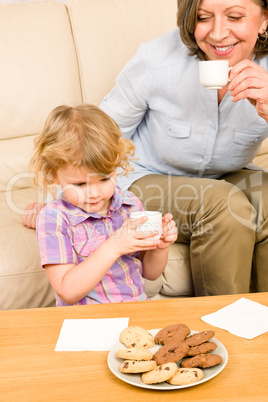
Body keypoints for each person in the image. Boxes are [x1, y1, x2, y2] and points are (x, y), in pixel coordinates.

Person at [98, 0, 268, 296]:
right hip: (144, 177)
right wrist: (62, 201)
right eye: (203, 18)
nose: (217, 33)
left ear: (265, 20)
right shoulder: (157, 59)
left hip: (223, 176)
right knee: (222, 203)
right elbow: (99, 136)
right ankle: (220, 331)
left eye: (235, 16)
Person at [30, 104, 177, 306]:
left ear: (117, 166)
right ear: (53, 174)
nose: (94, 193)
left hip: (138, 311)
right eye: (80, 184)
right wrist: (115, 245)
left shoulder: (130, 205)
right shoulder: (54, 217)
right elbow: (67, 291)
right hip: (88, 323)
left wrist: (159, 248)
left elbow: (150, 274)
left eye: (104, 179)